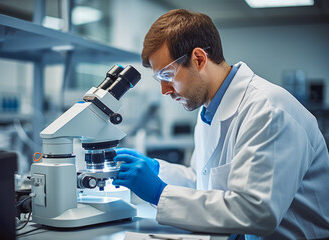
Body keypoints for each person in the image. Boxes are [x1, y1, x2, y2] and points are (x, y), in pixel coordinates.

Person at [112, 9, 329, 239]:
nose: (165, 90)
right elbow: (203, 182)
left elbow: (256, 212)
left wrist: (159, 193)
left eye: (167, 76)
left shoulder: (269, 110)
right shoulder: (209, 109)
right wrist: (158, 170)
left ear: (199, 59)